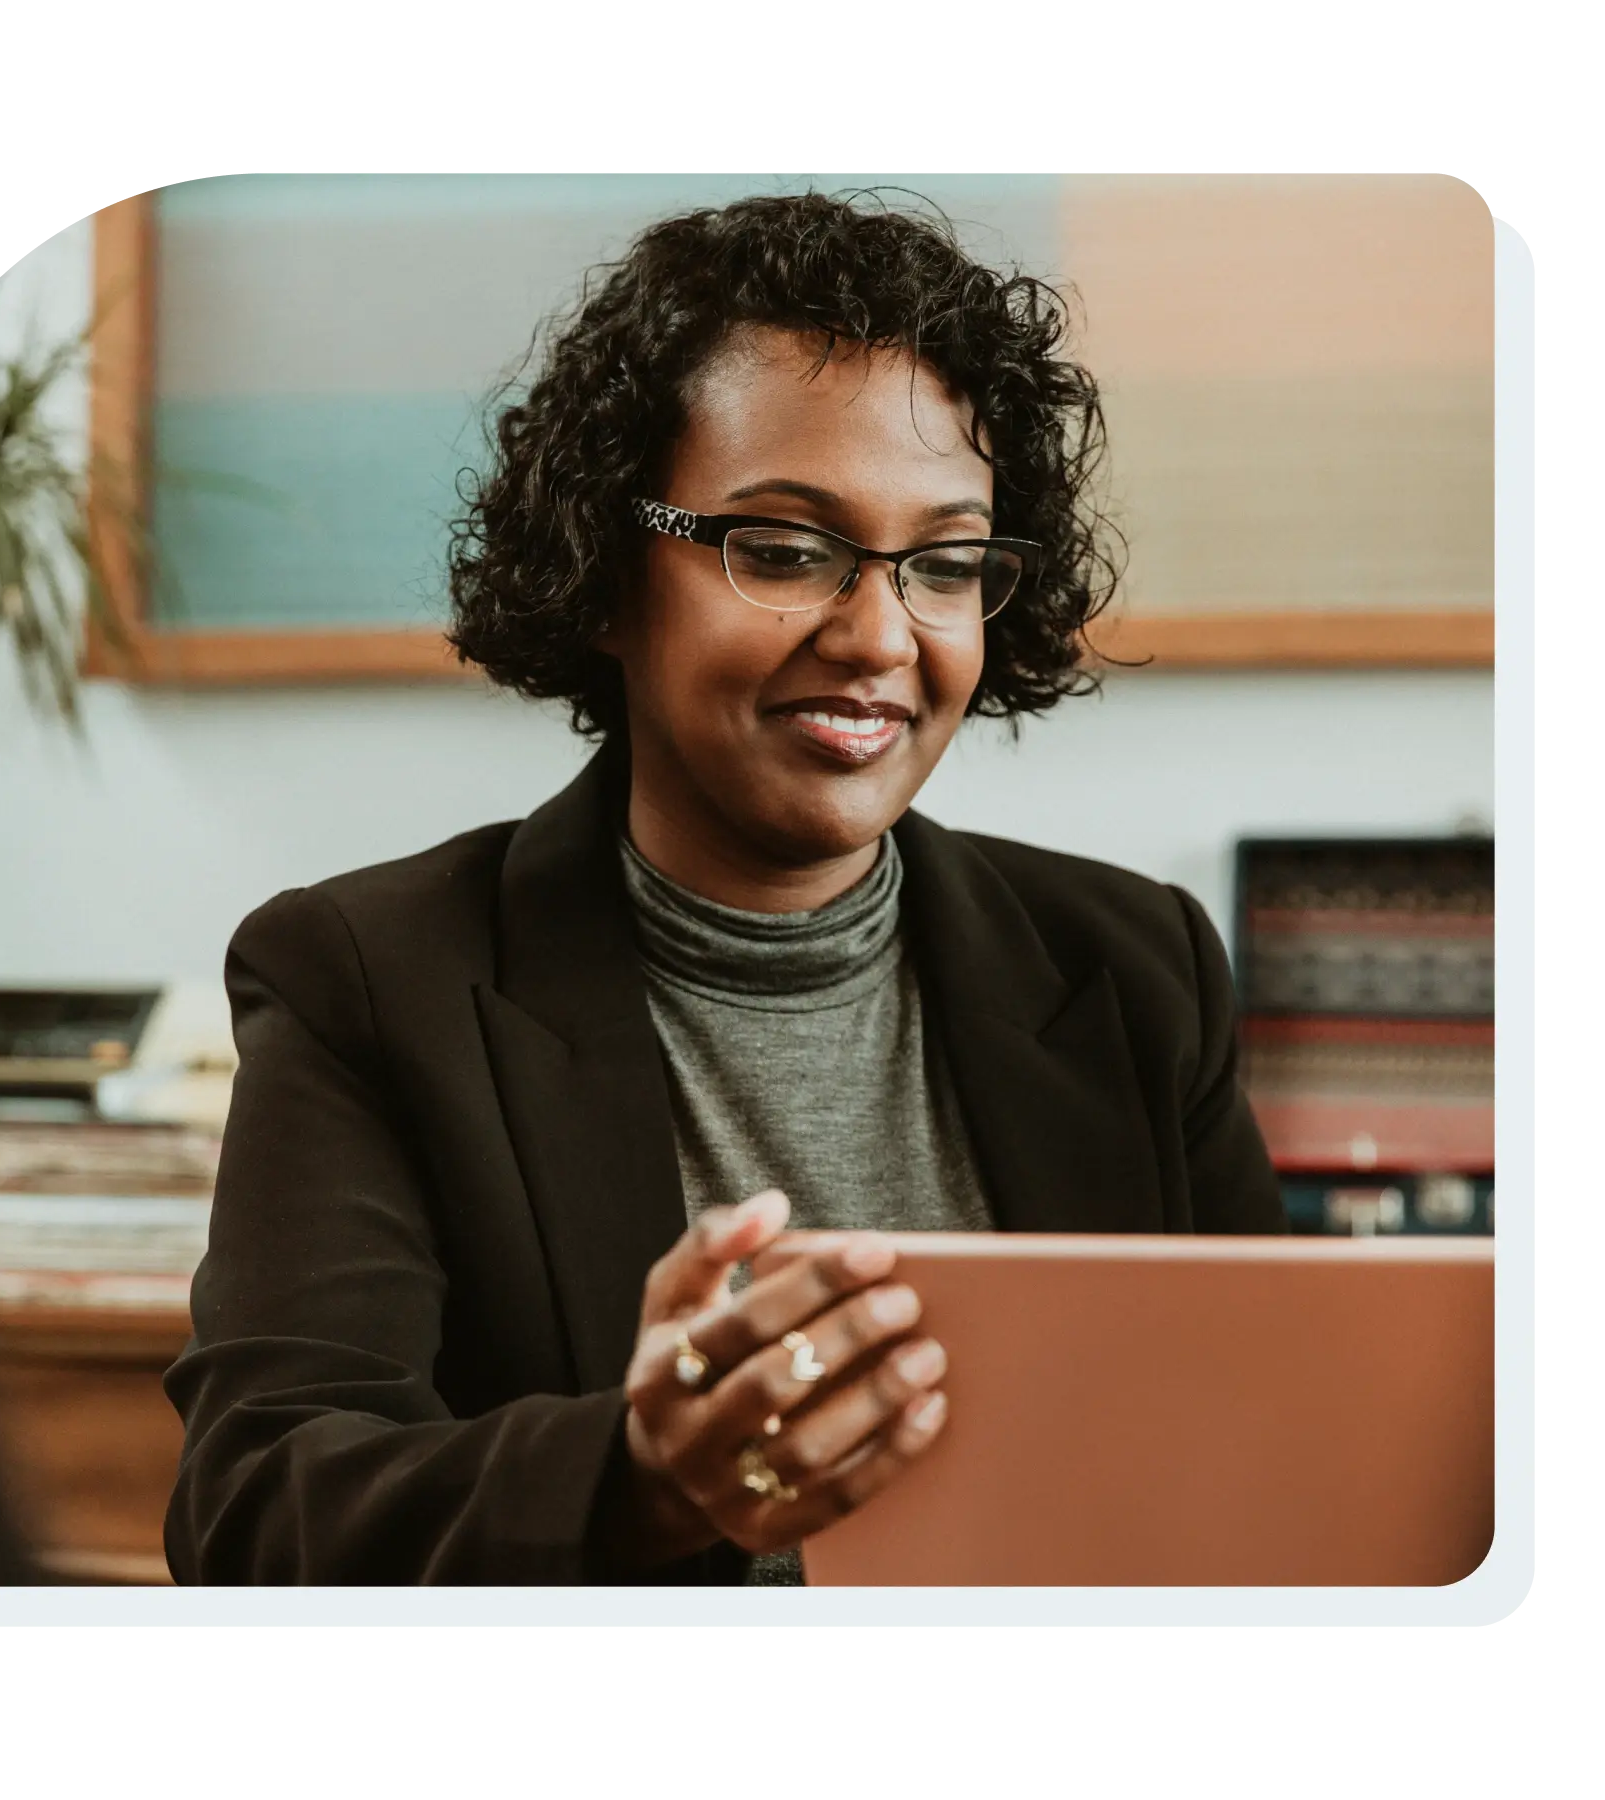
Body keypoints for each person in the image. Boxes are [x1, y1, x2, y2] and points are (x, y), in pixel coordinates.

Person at [162, 193, 1286, 1587]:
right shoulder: (369, 979)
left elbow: (1272, 1462)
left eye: (944, 564)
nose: (879, 636)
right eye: (782, 548)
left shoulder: (1137, 967)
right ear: (604, 573)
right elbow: (258, 1513)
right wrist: (636, 1483)